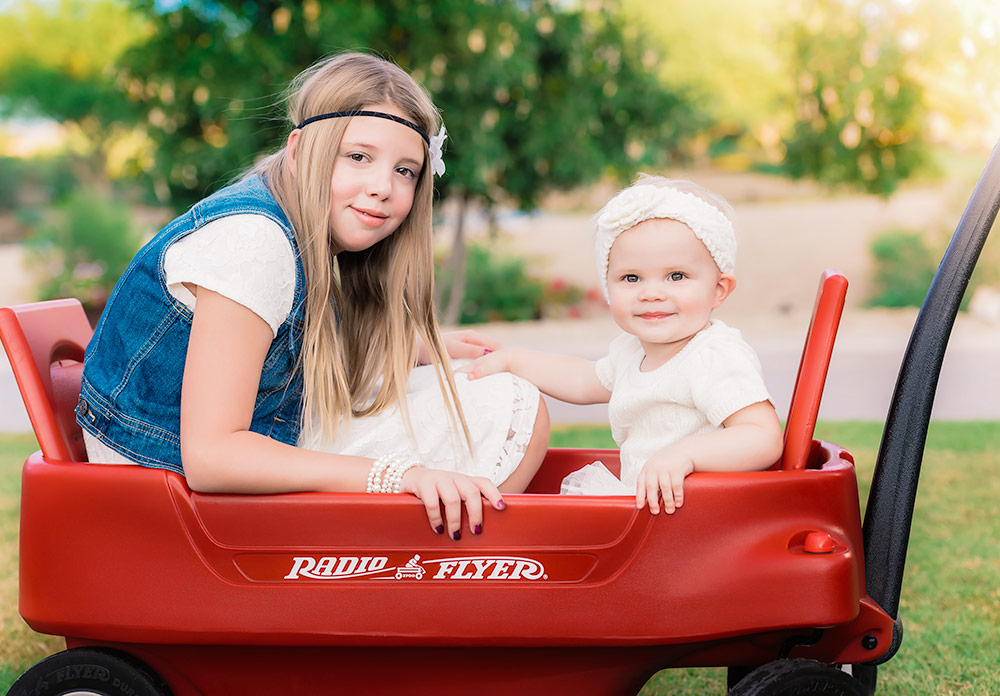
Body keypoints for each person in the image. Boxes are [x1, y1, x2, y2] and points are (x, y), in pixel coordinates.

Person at [75, 52, 550, 539]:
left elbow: (280, 351)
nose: (383, 187)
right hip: (164, 480)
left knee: (477, 391)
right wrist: (396, 475)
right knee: (509, 405)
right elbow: (211, 456)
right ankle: (430, 583)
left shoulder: (295, 222)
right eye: (359, 157)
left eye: (406, 170)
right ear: (301, 151)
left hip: (220, 444)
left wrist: (416, 349)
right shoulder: (255, 242)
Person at [459, 176, 782, 514]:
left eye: (676, 276)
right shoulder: (632, 351)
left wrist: (684, 454)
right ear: (608, 287)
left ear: (719, 289)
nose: (651, 292)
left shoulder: (712, 355)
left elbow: (762, 436)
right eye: (631, 278)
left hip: (699, 515)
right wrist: (512, 360)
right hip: (649, 507)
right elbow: (583, 380)